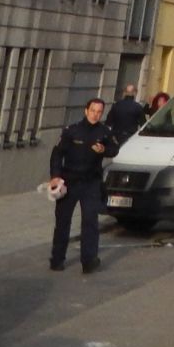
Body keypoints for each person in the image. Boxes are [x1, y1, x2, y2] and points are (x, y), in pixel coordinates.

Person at [49, 97, 119, 273]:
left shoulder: (104, 132)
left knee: (90, 222)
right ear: (86, 111)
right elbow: (57, 154)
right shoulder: (72, 131)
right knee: (63, 222)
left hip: (91, 183)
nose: (95, 114)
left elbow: (114, 149)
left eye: (99, 112)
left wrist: (104, 150)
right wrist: (55, 176)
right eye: (93, 111)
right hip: (70, 181)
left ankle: (88, 261)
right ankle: (57, 259)